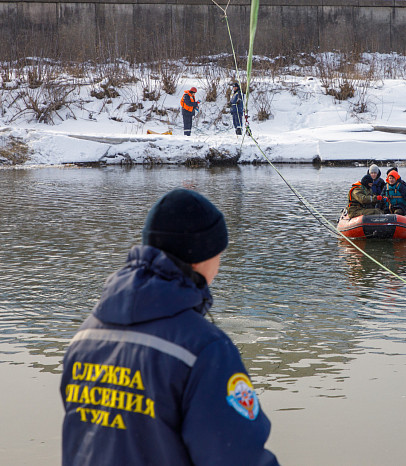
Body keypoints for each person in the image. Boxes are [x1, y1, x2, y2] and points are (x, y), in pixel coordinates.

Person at [60, 188, 279, 466]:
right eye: (219, 254)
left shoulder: (85, 336)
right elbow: (237, 456)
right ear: (201, 257)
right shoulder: (205, 349)